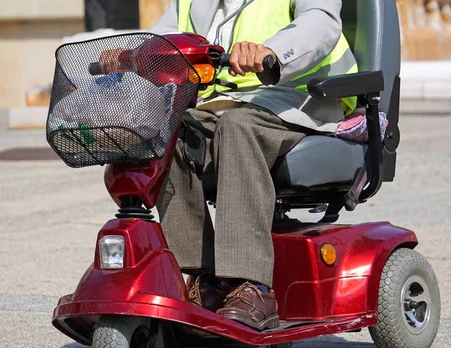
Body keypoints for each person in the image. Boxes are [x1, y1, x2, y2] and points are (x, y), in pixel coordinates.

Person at [99, 0, 358, 331]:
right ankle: (206, 279)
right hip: (223, 105)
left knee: (237, 127)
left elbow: (319, 24)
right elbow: (165, 38)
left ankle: (254, 286)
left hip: (297, 99)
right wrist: (132, 56)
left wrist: (271, 52)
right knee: (171, 130)